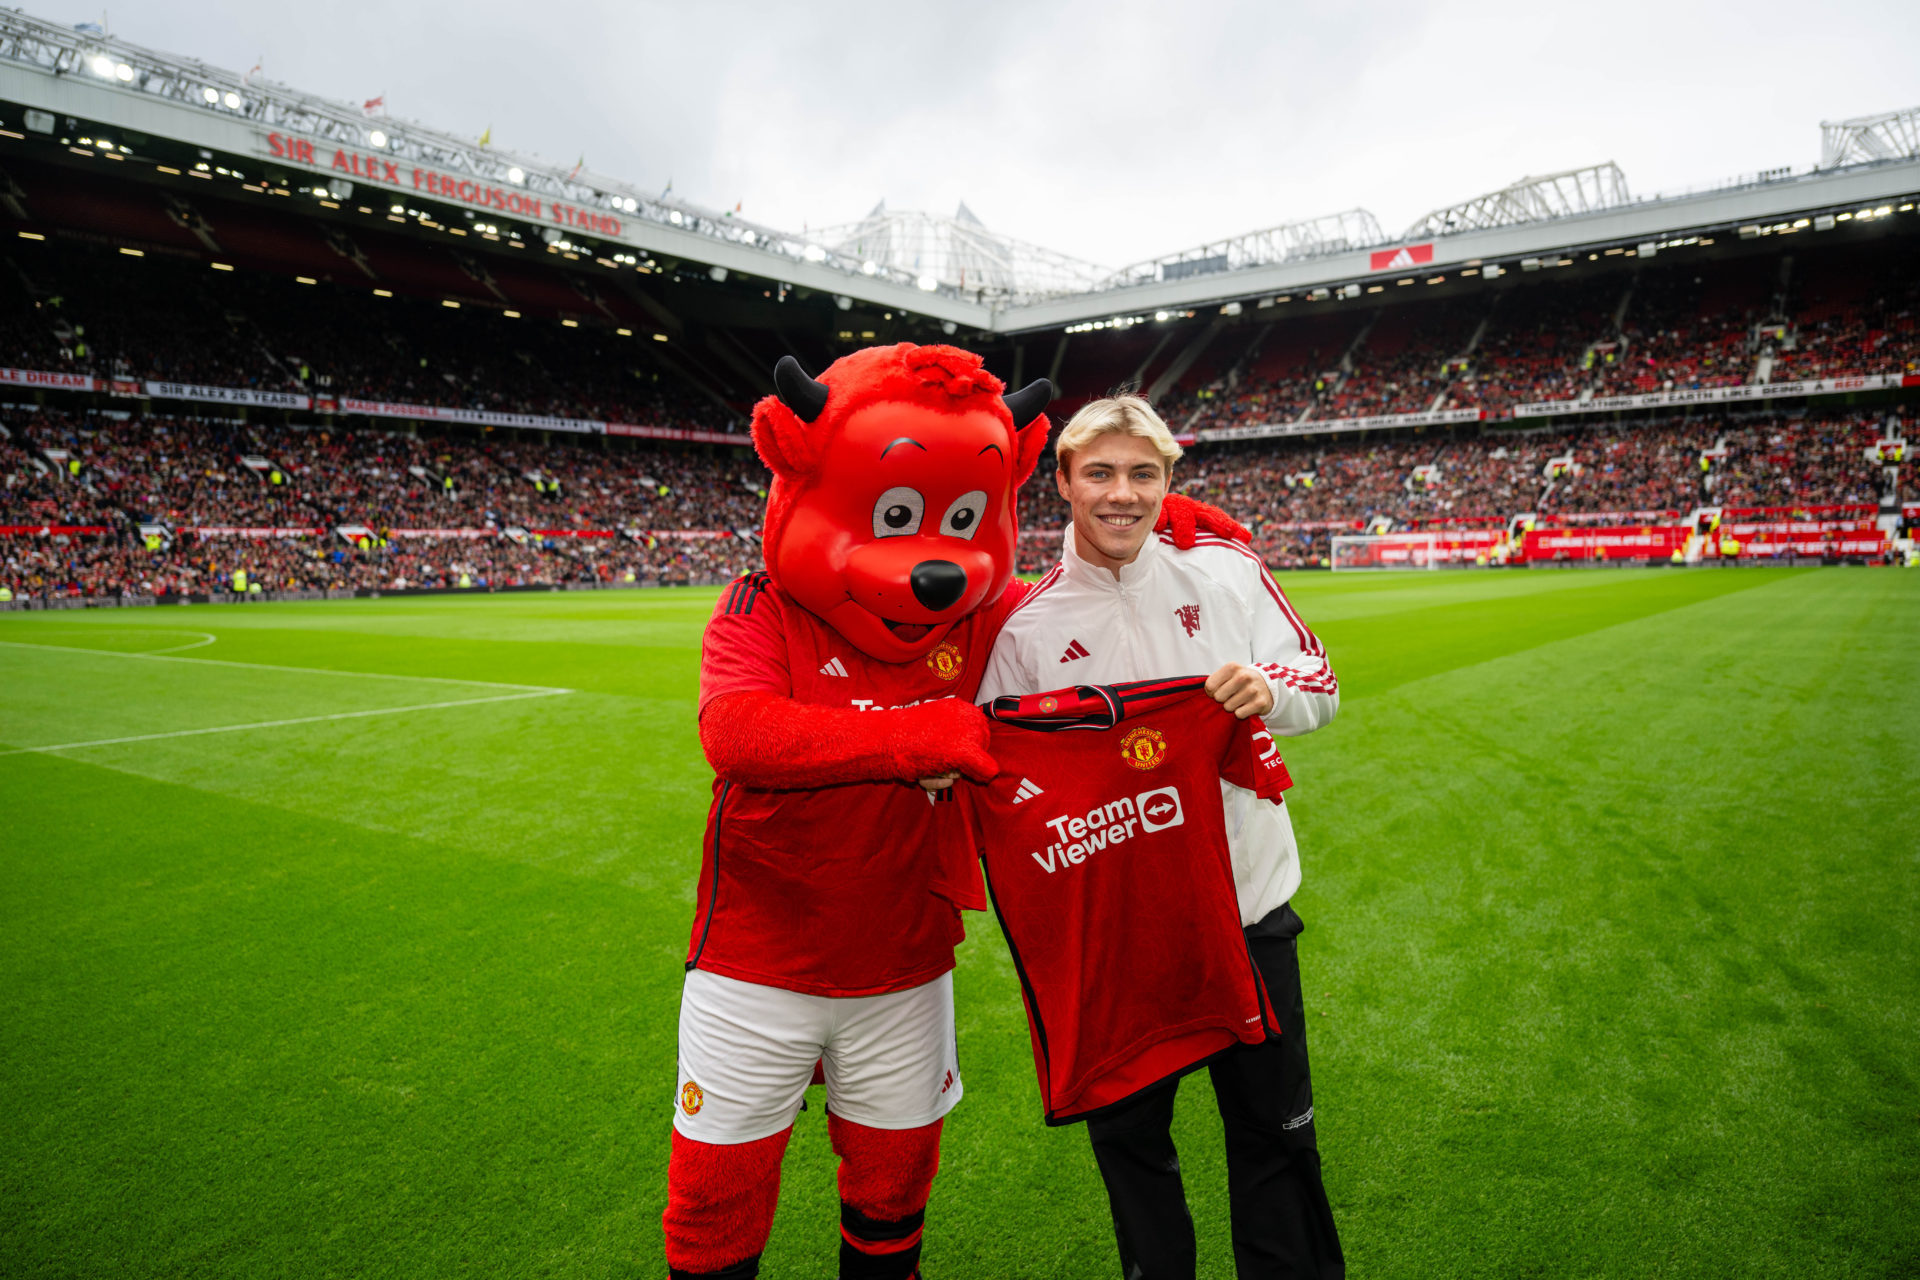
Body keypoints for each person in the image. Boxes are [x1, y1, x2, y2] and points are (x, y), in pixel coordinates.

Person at [976, 395, 1344, 1280]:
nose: (1121, 494)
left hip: (1248, 908)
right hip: (1121, 934)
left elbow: (1318, 680)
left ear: (1168, 480)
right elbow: (1000, 773)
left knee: (1276, 1135)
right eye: (1098, 472)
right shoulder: (1025, 628)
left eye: (1143, 473)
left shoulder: (1227, 571)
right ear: (1061, 483)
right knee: (1134, 1151)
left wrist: (1268, 689)